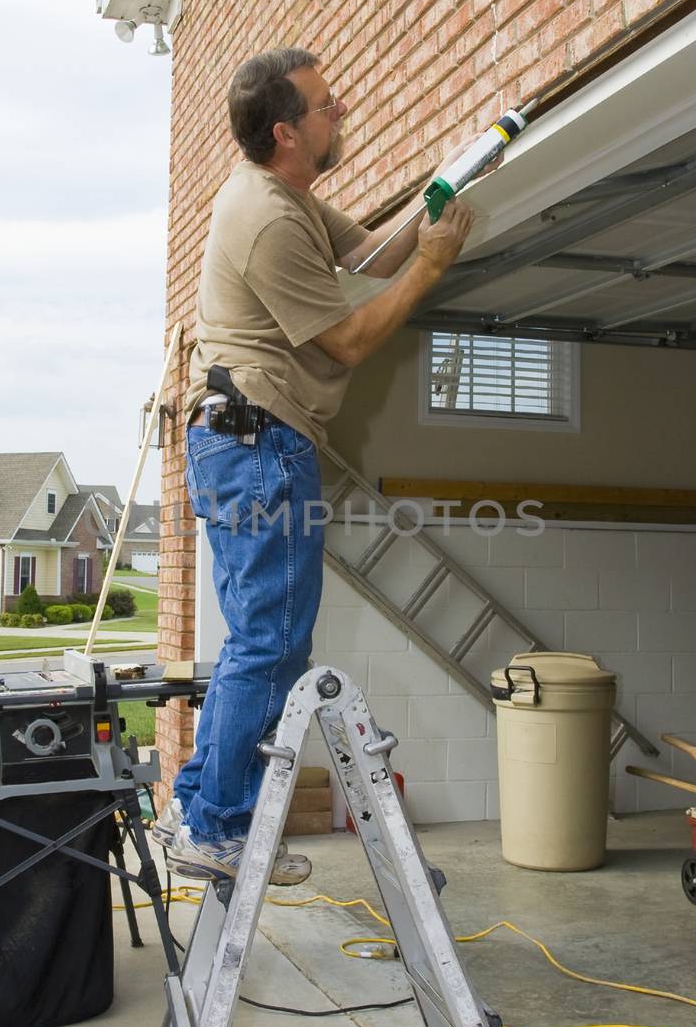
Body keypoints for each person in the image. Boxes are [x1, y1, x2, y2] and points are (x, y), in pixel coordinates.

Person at [155, 47, 473, 883]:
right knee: (270, 644)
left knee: (255, 643)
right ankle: (218, 826)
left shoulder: (288, 199)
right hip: (256, 440)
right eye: (329, 106)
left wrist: (436, 194)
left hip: (243, 437)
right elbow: (352, 336)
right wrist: (434, 265)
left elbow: (369, 258)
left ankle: (200, 807)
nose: (344, 113)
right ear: (288, 131)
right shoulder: (264, 218)